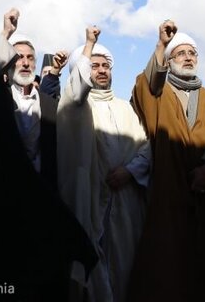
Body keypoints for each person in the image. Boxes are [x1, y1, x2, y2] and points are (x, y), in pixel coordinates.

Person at [0, 8, 96, 301]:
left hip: (42, 212)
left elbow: (77, 96)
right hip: (1, 212)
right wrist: (6, 35)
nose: (23, 61)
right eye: (17, 56)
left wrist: (87, 48)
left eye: (29, 57)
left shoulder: (50, 105)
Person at [127, 20, 205, 302]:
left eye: (193, 53)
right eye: (181, 53)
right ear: (169, 60)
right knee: (166, 271)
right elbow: (149, 82)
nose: (188, 57)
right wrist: (162, 45)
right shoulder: (156, 93)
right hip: (169, 194)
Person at [58, 25, 150, 302]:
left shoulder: (125, 107)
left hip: (126, 204)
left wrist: (129, 171)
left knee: (126, 266)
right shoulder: (74, 105)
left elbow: (146, 147)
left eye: (104, 66)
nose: (100, 70)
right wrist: (88, 44)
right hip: (90, 203)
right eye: (93, 65)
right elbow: (77, 89)